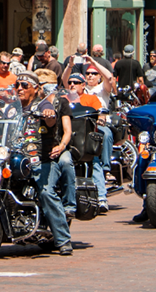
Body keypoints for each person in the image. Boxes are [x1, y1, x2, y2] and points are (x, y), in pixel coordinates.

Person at [16, 70, 72, 255]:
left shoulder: (43, 104)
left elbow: (50, 119)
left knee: (46, 192)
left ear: (36, 88)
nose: (19, 88)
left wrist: (49, 115)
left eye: (24, 85)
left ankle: (63, 239)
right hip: (16, 160)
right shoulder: (12, 107)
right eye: (17, 85)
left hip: (41, 160)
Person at [66, 69, 112, 214]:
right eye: (70, 82)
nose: (72, 85)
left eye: (76, 82)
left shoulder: (91, 98)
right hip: (68, 138)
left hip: (86, 136)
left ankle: (101, 197)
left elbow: (101, 112)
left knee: (95, 159)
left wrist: (101, 118)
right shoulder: (64, 100)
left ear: (83, 85)